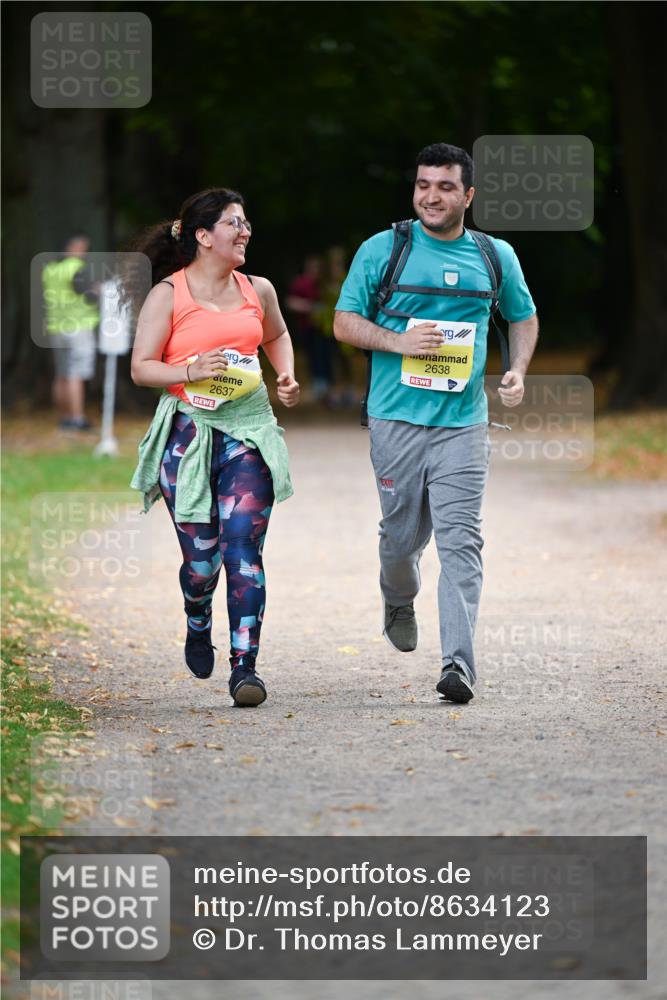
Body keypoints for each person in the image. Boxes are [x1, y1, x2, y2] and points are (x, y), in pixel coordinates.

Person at [333, 143, 538, 704]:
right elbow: (344, 322)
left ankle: (458, 665)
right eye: (424, 184)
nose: (432, 195)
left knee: (461, 540)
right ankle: (398, 596)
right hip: (395, 419)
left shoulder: (495, 256)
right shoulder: (385, 249)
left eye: (445, 186)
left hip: (464, 423)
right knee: (401, 537)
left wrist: (517, 370)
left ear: (468, 196)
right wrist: (397, 341)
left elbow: (522, 315)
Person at [129, 188, 300, 707]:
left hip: (248, 432)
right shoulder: (168, 294)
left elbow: (277, 336)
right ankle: (197, 617)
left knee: (244, 550)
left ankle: (245, 668)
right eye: (234, 223)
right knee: (201, 565)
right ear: (203, 236)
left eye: (246, 222)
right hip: (188, 434)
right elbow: (141, 368)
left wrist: (286, 373)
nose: (245, 231)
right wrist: (189, 370)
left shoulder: (258, 289)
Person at [41, 235, 98, 430]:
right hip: (78, 327)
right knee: (76, 374)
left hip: (57, 328)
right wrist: (98, 291)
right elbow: (87, 295)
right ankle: (77, 418)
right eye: (82, 248)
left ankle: (64, 417)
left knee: (61, 374)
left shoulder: (50, 270)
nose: (83, 253)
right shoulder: (76, 268)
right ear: (72, 247)